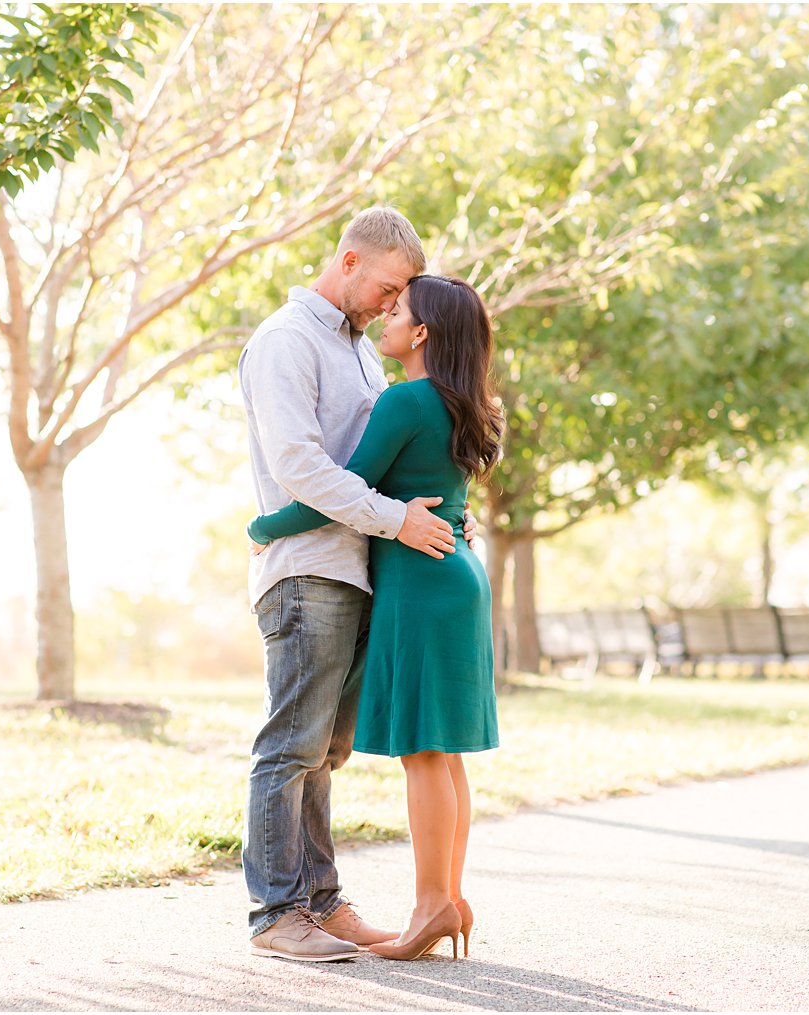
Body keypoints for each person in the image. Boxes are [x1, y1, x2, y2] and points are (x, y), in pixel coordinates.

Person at [238, 207, 477, 962]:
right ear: (348, 262)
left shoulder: (366, 357)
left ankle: (320, 900)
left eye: (401, 295)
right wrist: (396, 518)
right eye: (389, 286)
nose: (391, 304)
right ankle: (276, 912)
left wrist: (439, 518)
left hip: (362, 569)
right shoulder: (286, 340)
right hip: (308, 569)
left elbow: (400, 460)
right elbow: (300, 468)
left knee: (327, 750)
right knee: (292, 744)